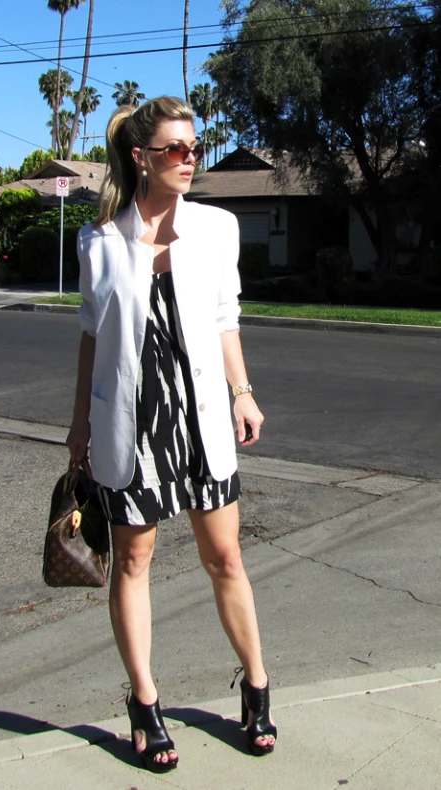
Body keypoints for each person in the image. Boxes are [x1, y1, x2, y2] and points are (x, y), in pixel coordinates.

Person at [66, 96, 277, 773]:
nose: (191, 160)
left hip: (200, 421)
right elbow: (92, 340)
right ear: (141, 157)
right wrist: (78, 428)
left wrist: (242, 392)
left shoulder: (216, 228)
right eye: (176, 150)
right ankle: (146, 703)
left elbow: (225, 318)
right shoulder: (100, 241)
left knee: (226, 558)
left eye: (195, 147)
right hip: (131, 425)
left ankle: (255, 684)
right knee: (132, 561)